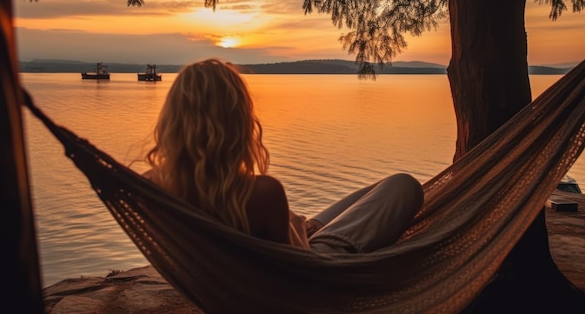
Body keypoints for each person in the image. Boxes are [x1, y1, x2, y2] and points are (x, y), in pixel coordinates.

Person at [143, 58, 425, 253]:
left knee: (370, 193)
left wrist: (298, 225)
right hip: (314, 268)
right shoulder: (261, 192)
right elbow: (296, 267)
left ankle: (309, 225)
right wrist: (300, 233)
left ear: (173, 118)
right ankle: (313, 229)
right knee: (404, 185)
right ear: (238, 120)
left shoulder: (152, 186)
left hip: (250, 263)